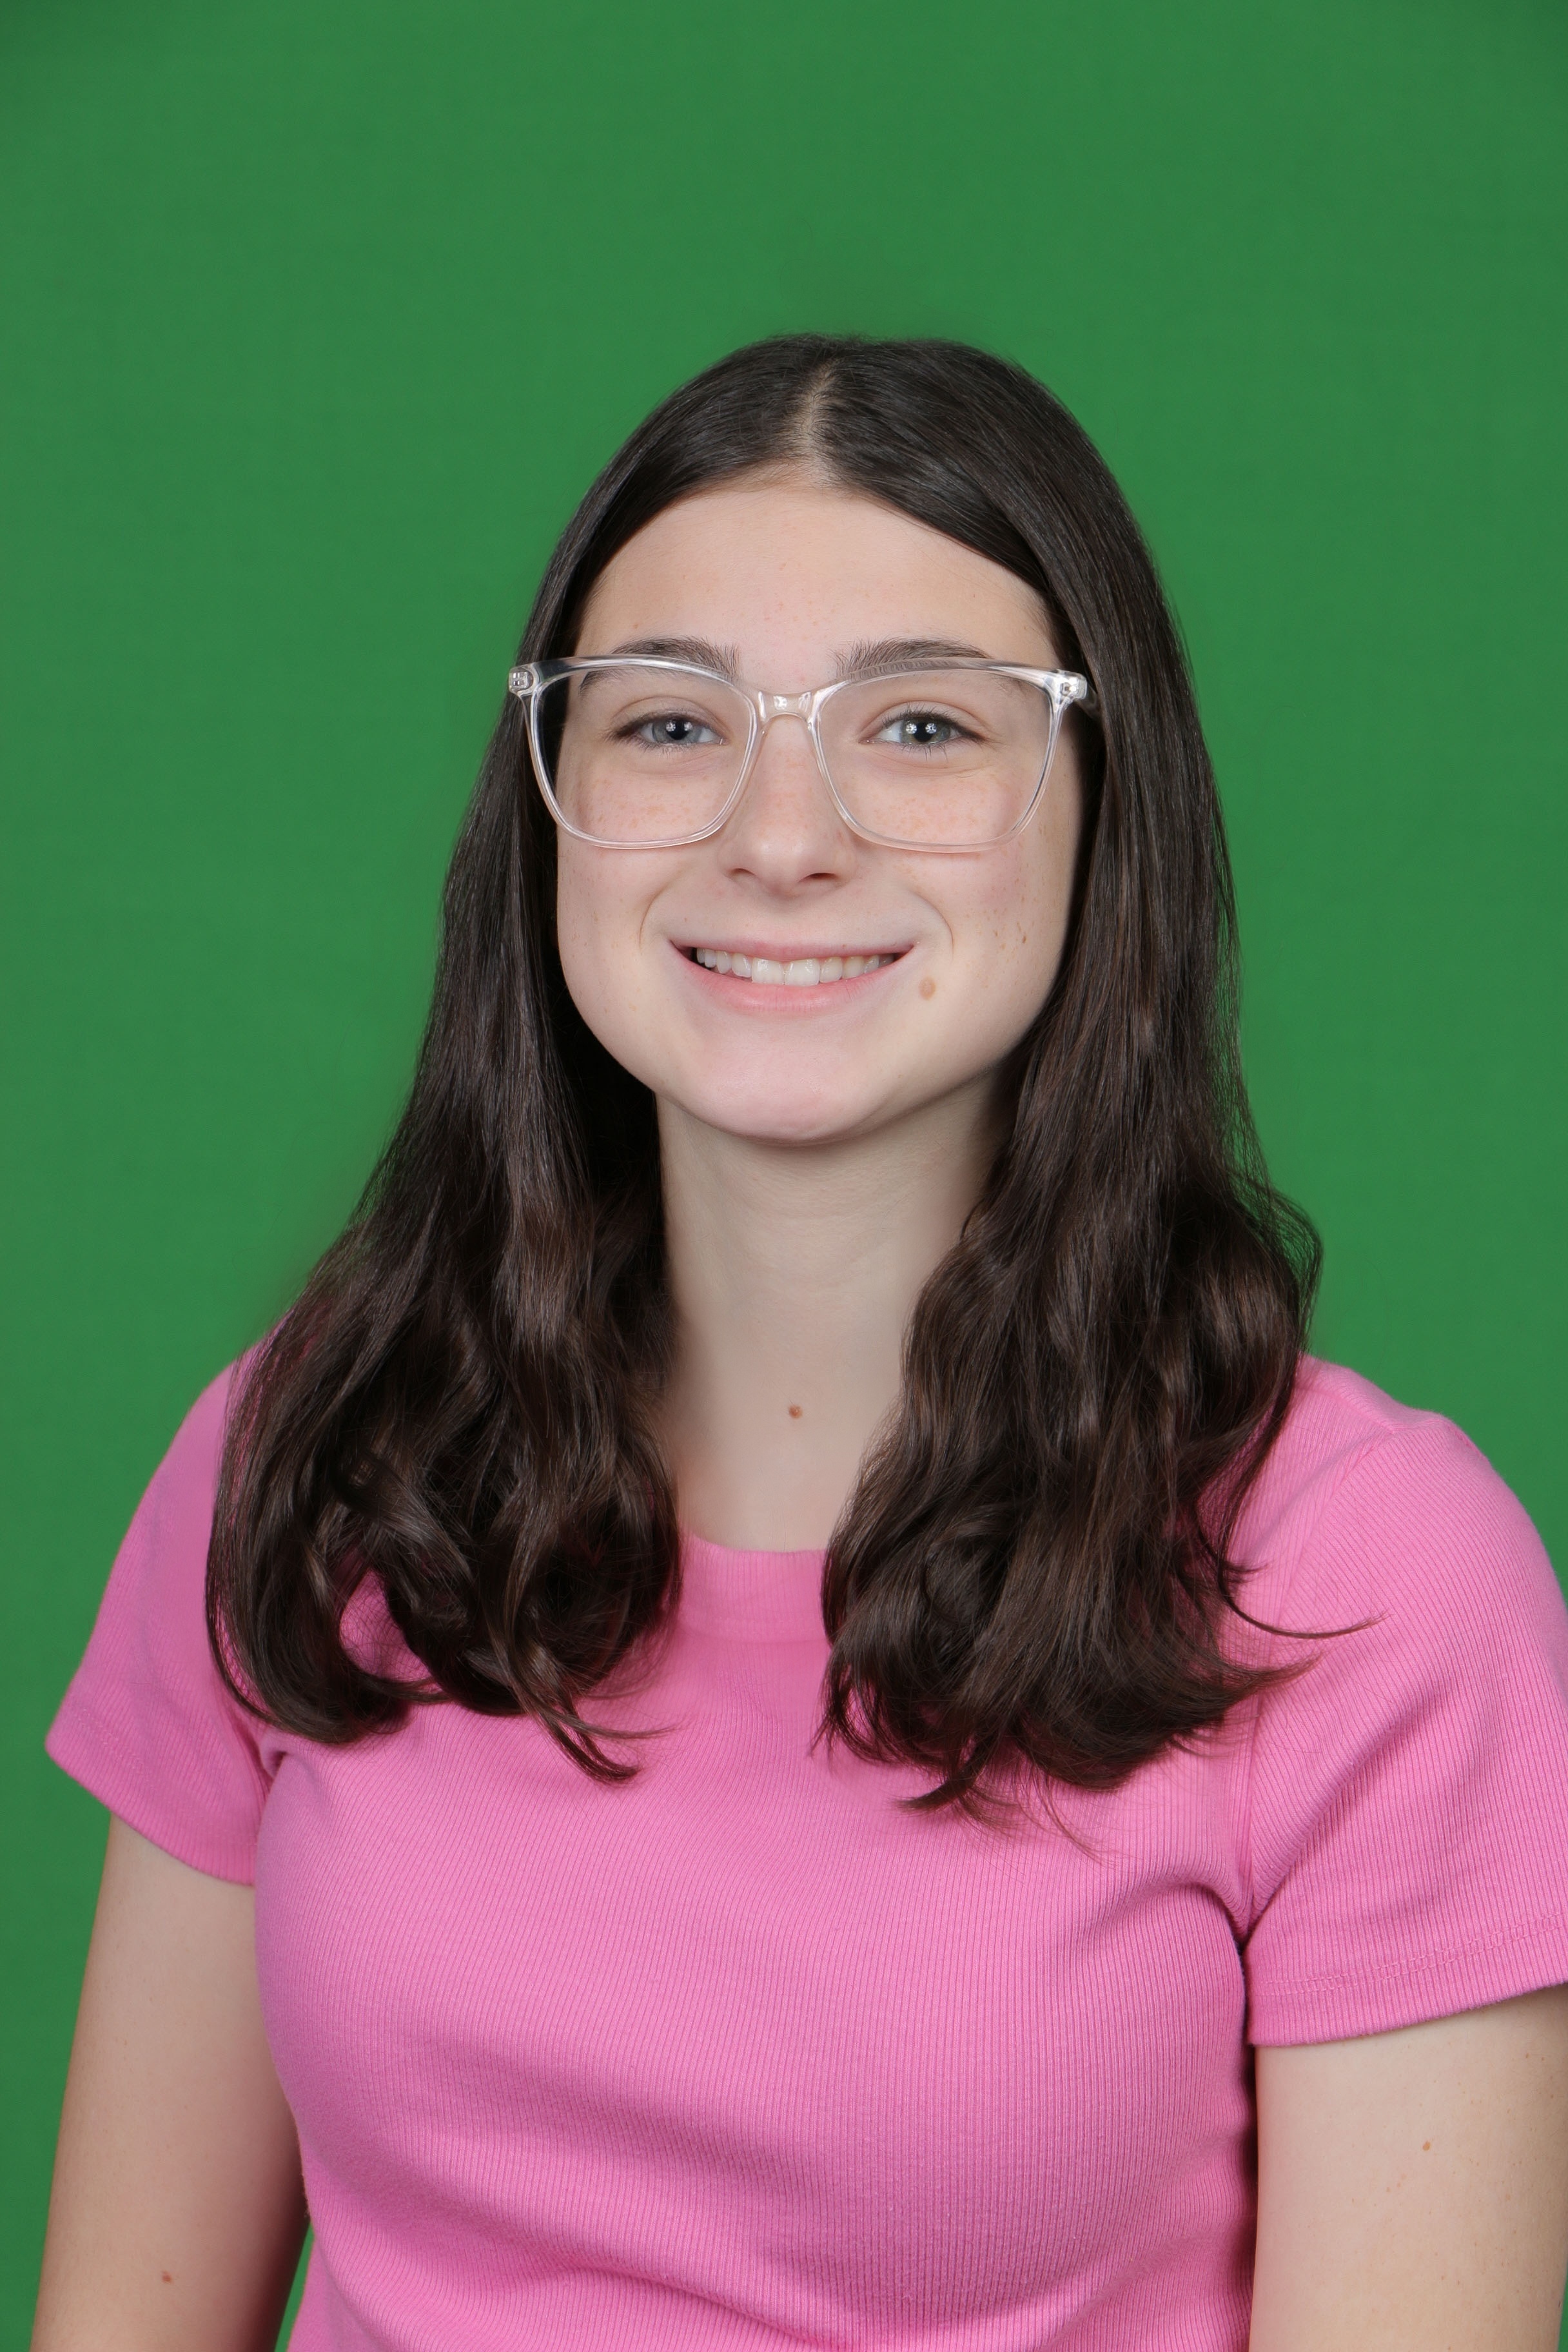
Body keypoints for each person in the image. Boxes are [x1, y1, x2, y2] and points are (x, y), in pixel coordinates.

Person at [32, 335, 1568, 2352]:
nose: (780, 835)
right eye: (669, 722)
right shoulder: (317, 1454)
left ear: (1105, 811)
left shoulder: (1370, 1579)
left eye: (921, 726)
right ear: (551, 804)